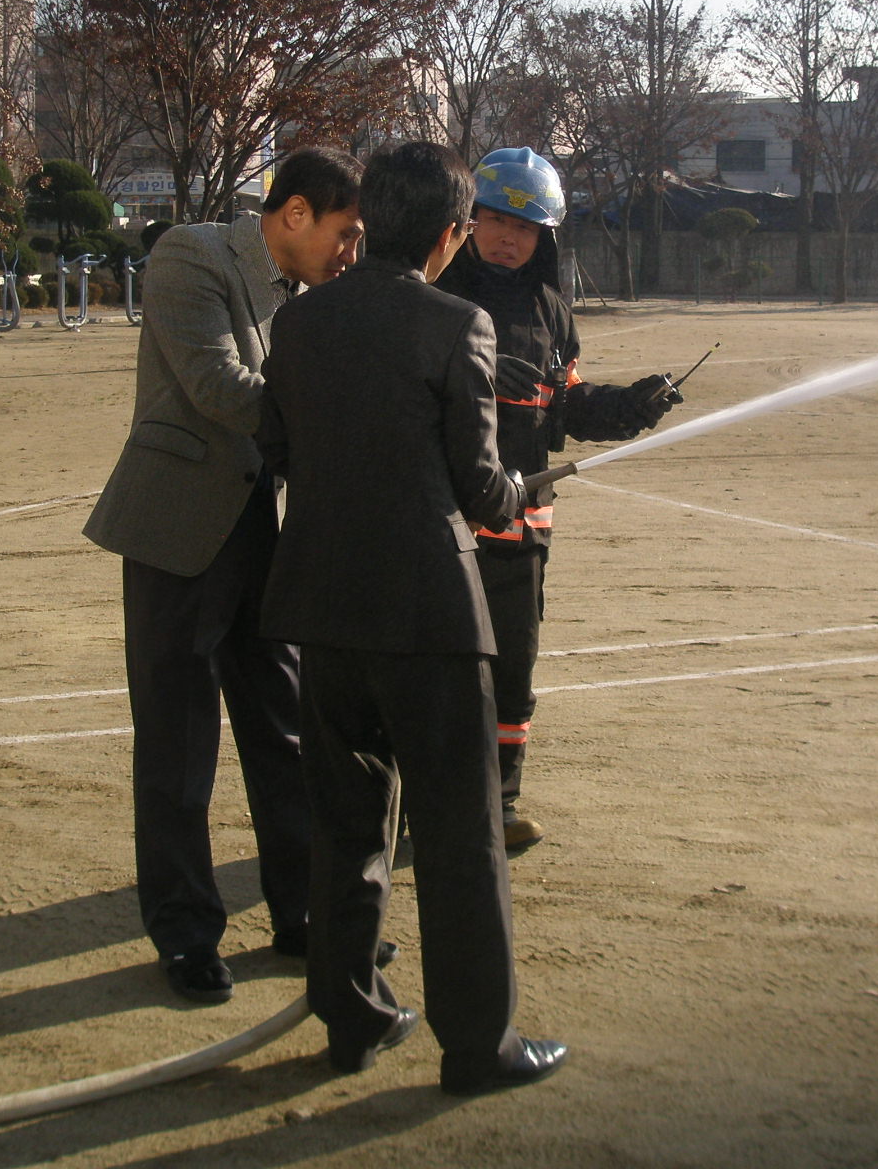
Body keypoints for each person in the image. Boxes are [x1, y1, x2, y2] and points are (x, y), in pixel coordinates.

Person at [256, 139, 568, 1097]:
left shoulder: (299, 321)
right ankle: (478, 1046)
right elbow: (480, 488)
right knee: (460, 835)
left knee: (346, 826)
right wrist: (520, 489)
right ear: (449, 235)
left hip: (322, 606)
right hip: (429, 614)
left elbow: (276, 449)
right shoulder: (458, 322)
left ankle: (350, 1018)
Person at [82, 146, 364, 1005]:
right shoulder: (190, 254)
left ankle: (304, 914)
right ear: (295, 214)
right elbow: (218, 386)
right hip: (174, 531)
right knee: (178, 745)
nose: (350, 253)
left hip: (260, 533)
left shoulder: (311, 292)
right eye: (345, 234)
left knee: (285, 729)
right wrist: (345, 424)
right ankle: (186, 934)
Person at [434, 146, 683, 854]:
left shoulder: (551, 309)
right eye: (496, 219)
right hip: (446, 528)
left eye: (526, 226)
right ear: (469, 219)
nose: (508, 237)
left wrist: (628, 407)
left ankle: (499, 804)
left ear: (545, 236)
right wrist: (477, 372)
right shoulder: (437, 292)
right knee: (439, 675)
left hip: (523, 531)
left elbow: (564, 404)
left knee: (513, 675)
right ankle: (425, 806)